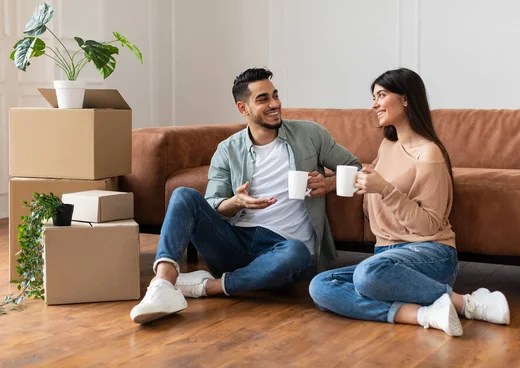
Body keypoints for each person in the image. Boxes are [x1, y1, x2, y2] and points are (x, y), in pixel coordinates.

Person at [131, 67, 362, 324]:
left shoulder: (310, 134)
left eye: (275, 95)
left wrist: (328, 184)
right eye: (263, 99)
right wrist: (236, 202)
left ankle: (207, 287)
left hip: (283, 249)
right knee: (184, 195)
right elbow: (212, 205)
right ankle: (162, 285)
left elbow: (355, 166)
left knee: (296, 254)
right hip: (236, 242)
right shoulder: (227, 149)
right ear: (243, 108)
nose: (275, 104)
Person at [308, 68, 510, 336]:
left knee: (367, 275)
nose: (374, 104)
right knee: (321, 285)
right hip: (385, 257)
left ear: (405, 99)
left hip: (429, 254)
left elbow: (428, 225)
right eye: (373, 97)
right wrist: (334, 183)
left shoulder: (429, 153)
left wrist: (384, 190)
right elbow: (374, 183)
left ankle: (466, 303)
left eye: (381, 95)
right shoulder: (387, 147)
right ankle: (424, 314)